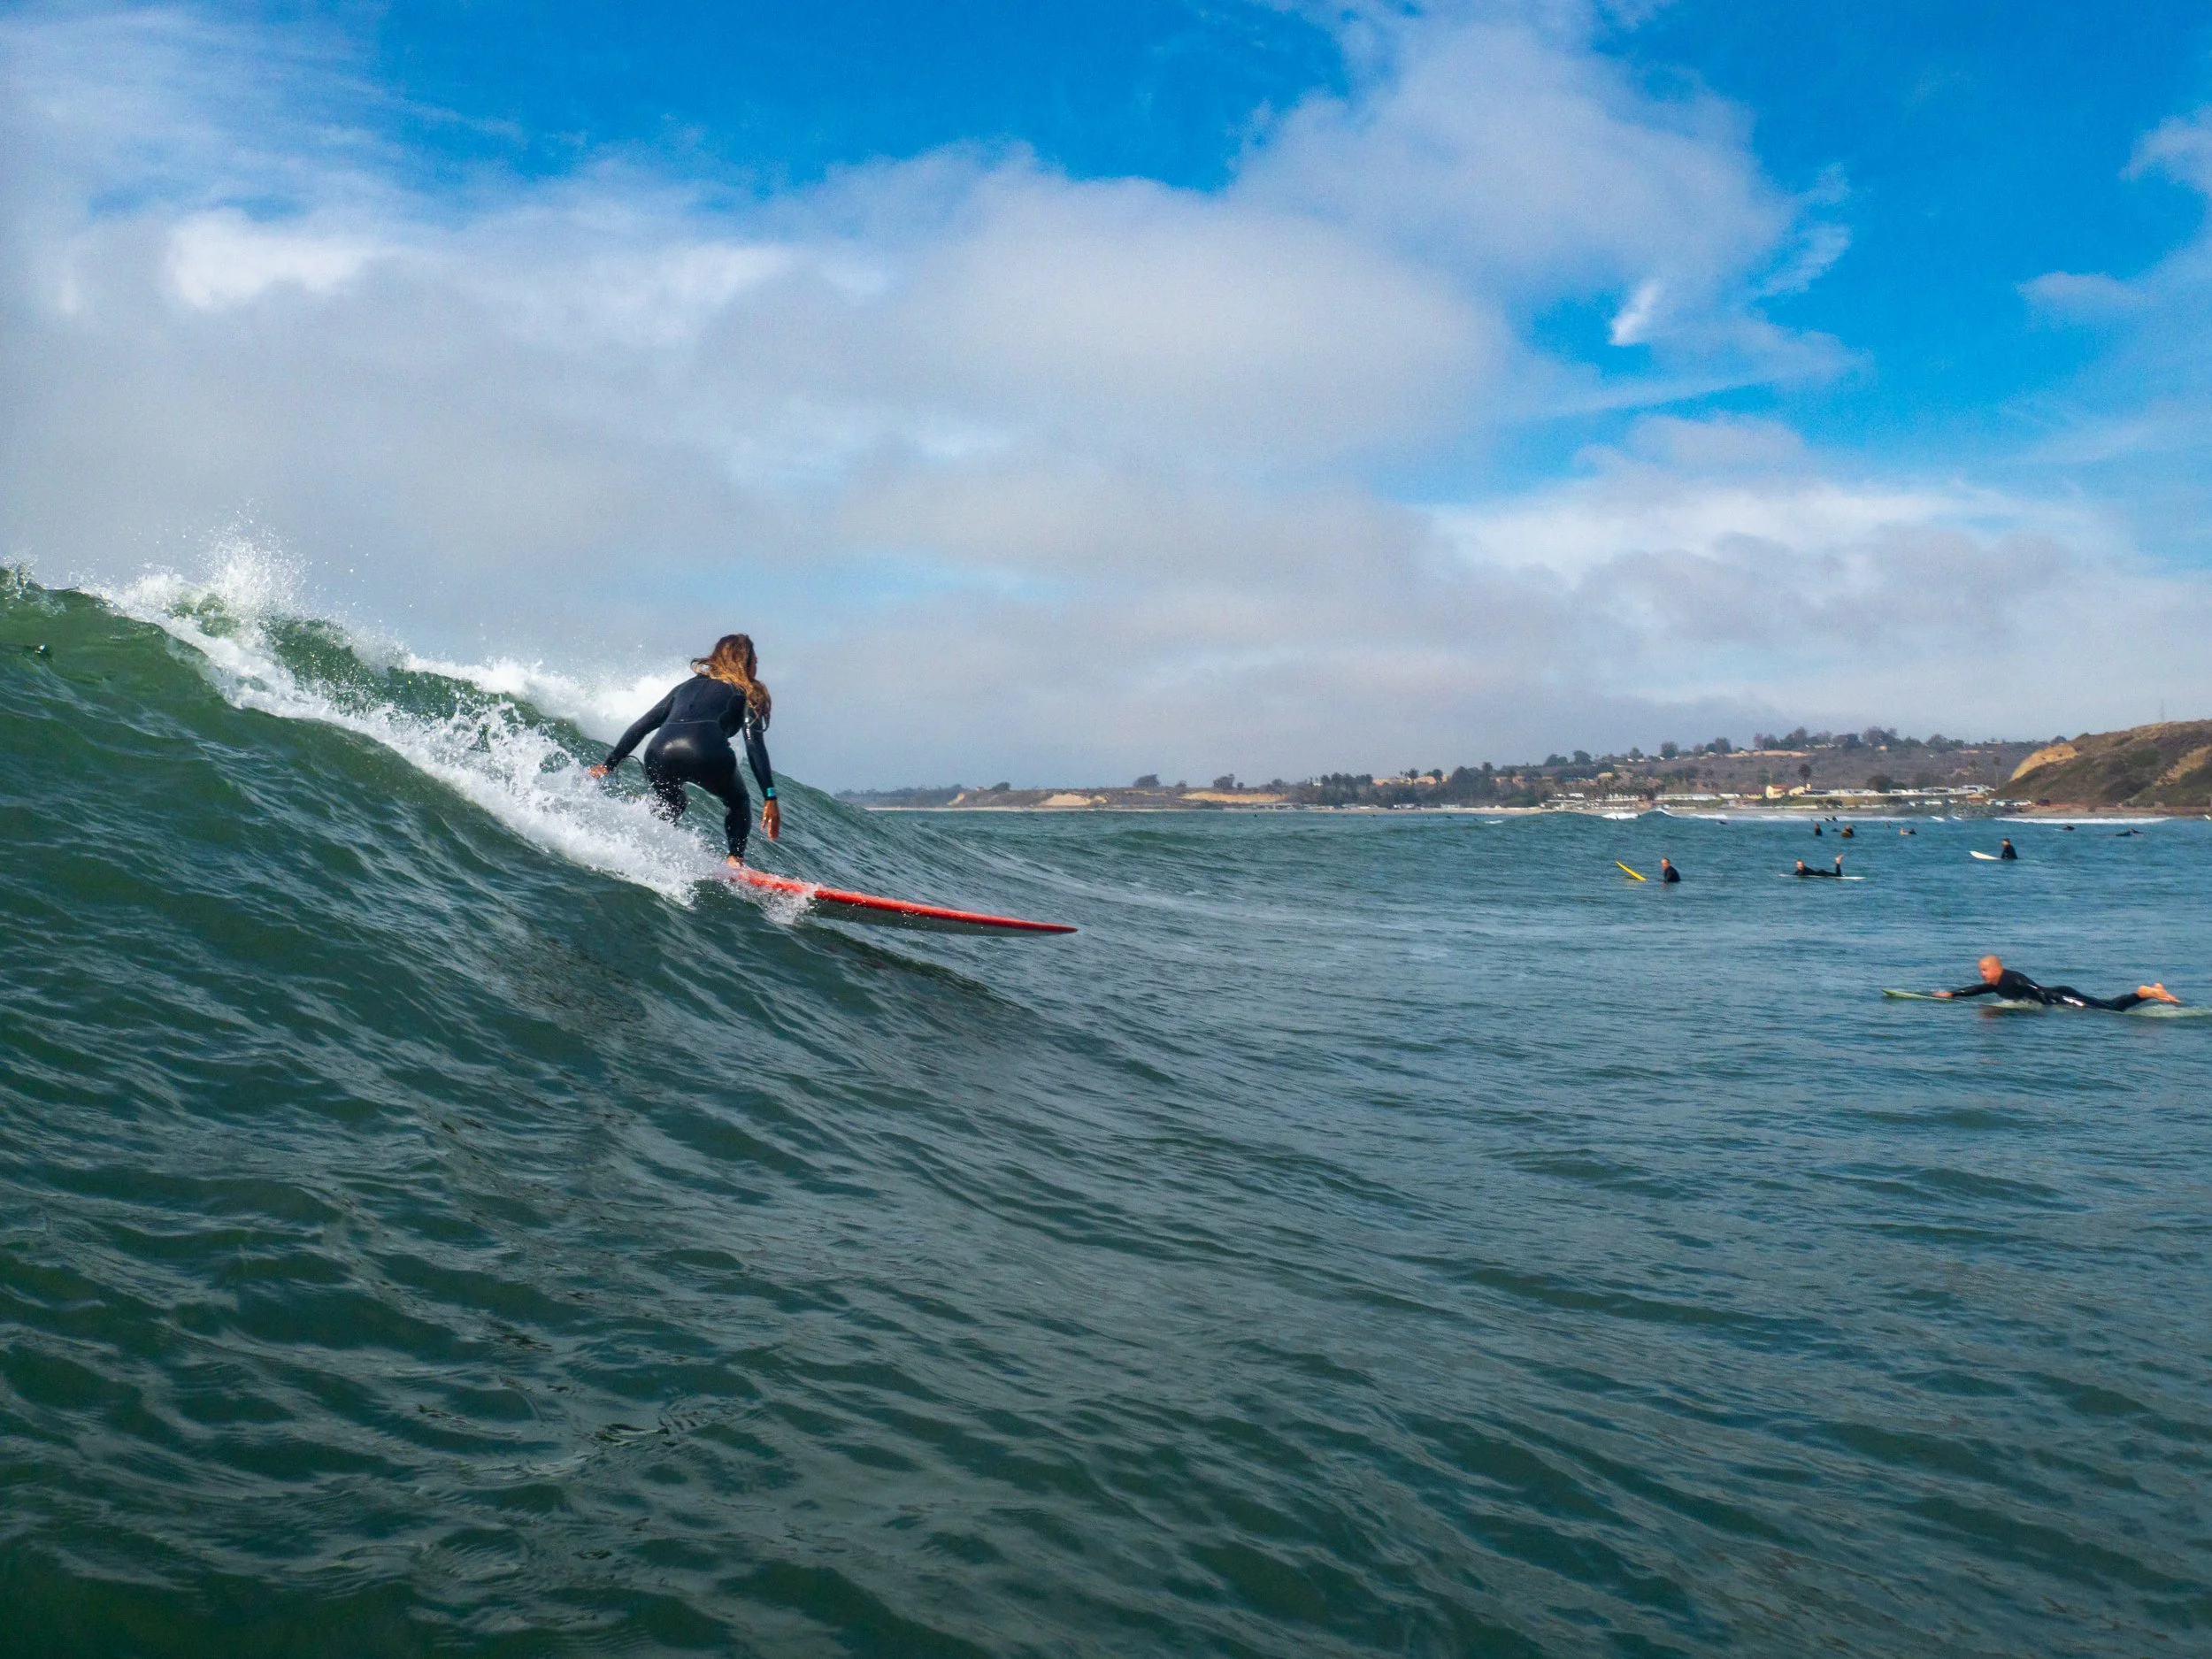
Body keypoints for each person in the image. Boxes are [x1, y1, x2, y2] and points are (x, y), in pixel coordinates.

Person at [589, 634, 781, 866]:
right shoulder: (746, 692)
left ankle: (642, 844)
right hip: (707, 754)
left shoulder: (686, 686)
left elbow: (642, 725)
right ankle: (734, 860)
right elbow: (754, 744)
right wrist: (769, 796)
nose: (756, 667)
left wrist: (608, 765)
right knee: (738, 801)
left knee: (672, 803)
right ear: (745, 662)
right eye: (755, 662)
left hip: (659, 752)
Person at [1936, 955, 2180, 1010]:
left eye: (1984, 970)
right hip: (2058, 994)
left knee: (2108, 1011)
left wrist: (2050, 1008)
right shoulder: (1997, 983)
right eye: (1980, 970)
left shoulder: (2012, 978)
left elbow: (2035, 990)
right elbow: (1977, 990)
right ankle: (2145, 994)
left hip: (2060, 996)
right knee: (2107, 1004)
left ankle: (2144, 993)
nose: (1982, 974)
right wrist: (1952, 994)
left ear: (1997, 968)